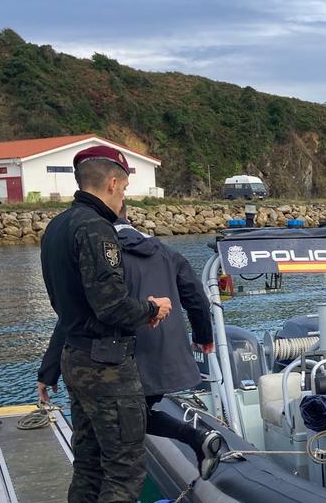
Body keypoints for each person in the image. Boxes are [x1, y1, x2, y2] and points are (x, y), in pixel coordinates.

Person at [37, 145, 171, 503]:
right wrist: (151, 309)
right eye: (126, 185)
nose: (126, 194)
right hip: (108, 365)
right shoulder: (97, 231)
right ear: (113, 182)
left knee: (90, 462)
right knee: (124, 467)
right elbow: (111, 305)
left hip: (77, 359)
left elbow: (66, 305)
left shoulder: (57, 227)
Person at [39, 203, 224, 481]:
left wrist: (50, 369)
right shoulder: (165, 252)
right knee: (140, 412)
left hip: (120, 355)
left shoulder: (99, 256)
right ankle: (197, 439)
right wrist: (203, 336)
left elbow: (72, 316)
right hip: (165, 354)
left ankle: (195, 437)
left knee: (129, 420)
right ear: (130, 218)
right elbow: (195, 295)